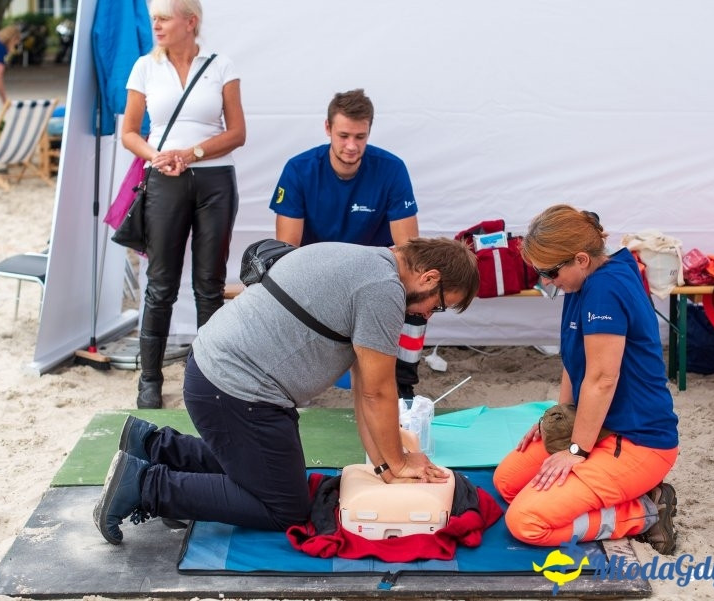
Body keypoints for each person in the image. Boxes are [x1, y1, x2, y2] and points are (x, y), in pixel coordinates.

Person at [93, 238, 480, 544]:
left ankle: (151, 445)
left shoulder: (366, 260)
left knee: (264, 473)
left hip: (217, 374)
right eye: (439, 307)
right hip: (238, 391)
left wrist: (386, 464)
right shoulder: (384, 290)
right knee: (284, 508)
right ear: (429, 278)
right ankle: (145, 486)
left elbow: (366, 387)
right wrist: (398, 465)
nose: (427, 316)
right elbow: (377, 394)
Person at [492, 205, 680, 555]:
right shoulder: (584, 280)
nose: (547, 281)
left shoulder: (604, 290)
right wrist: (559, 420)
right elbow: (573, 362)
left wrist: (576, 449)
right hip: (602, 425)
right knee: (507, 483)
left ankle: (647, 511)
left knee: (526, 522)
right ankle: (615, 489)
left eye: (549, 272)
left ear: (580, 259)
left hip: (637, 439)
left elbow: (602, 379)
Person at [121, 0, 245, 409]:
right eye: (153, 18)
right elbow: (130, 132)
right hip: (164, 180)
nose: (155, 24)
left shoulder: (221, 65)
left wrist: (190, 153)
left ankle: (209, 378)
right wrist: (157, 155)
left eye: (163, 18)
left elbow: (237, 133)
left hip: (214, 182)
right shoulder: (145, 66)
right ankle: (150, 379)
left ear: (190, 22)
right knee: (160, 286)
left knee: (209, 286)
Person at [269, 89, 426, 399]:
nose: (352, 146)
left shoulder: (391, 168)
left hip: (375, 276)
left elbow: (410, 249)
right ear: (327, 128)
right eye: (343, 135)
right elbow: (285, 251)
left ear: (369, 132)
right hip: (318, 274)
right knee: (274, 285)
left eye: (360, 136)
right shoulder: (299, 169)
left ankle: (403, 384)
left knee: (421, 282)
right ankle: (285, 385)